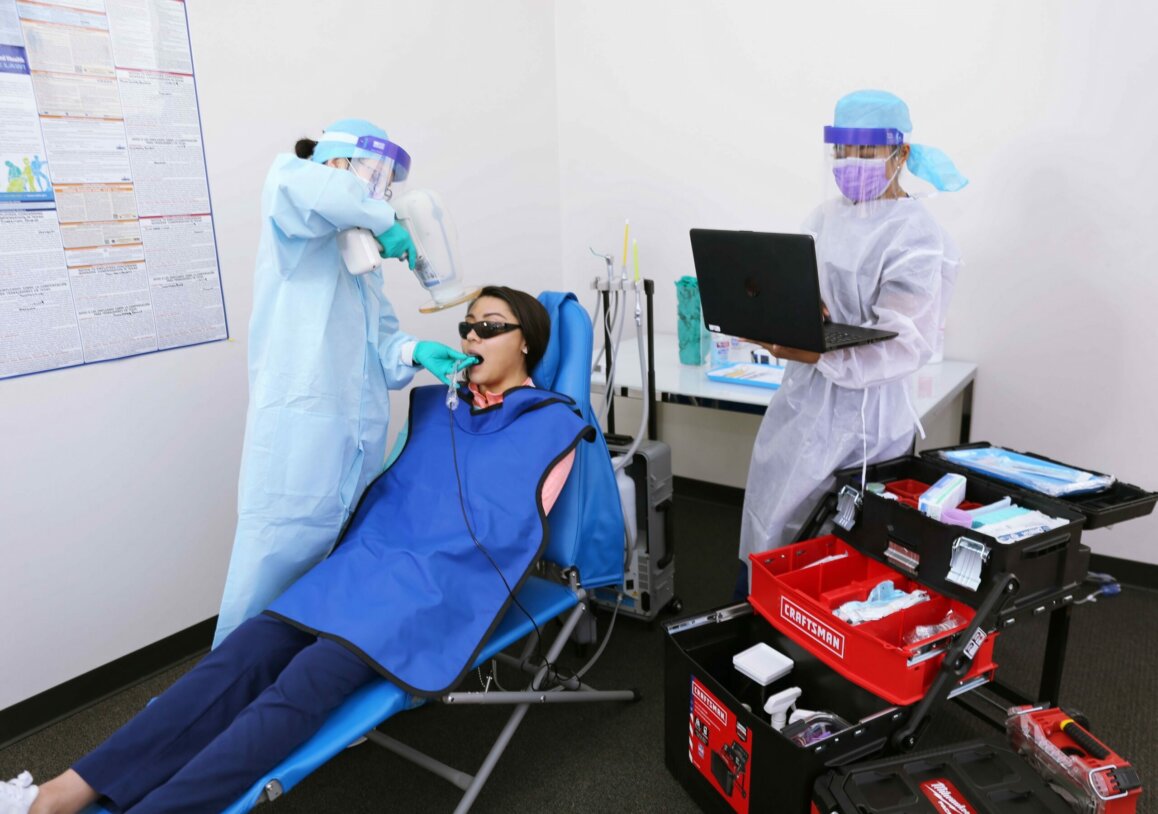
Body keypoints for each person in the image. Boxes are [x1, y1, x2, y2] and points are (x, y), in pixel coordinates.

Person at [2, 287, 592, 814]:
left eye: (490, 326)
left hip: (433, 588)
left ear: (526, 344)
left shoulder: (552, 424)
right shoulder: (437, 407)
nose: (470, 337)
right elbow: (396, 493)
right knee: (241, 655)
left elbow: (506, 531)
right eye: (467, 325)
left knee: (304, 682)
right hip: (366, 567)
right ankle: (58, 795)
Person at [213, 118, 478, 646]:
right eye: (375, 177)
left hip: (349, 448)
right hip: (297, 447)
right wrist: (380, 217)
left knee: (332, 579)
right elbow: (303, 186)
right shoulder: (294, 213)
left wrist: (416, 350)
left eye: (387, 185)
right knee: (264, 582)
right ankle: (220, 700)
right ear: (337, 163)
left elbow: (378, 345)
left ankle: (309, 697)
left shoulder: (361, 261)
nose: (382, 192)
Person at [736, 90, 967, 597]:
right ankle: (758, 611)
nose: (852, 164)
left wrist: (821, 353)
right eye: (843, 152)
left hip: (868, 422)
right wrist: (791, 312)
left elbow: (904, 343)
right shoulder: (823, 219)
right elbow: (804, 291)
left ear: (901, 155)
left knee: (834, 544)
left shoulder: (917, 237)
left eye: (867, 152)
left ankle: (815, 637)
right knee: (772, 515)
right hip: (801, 402)